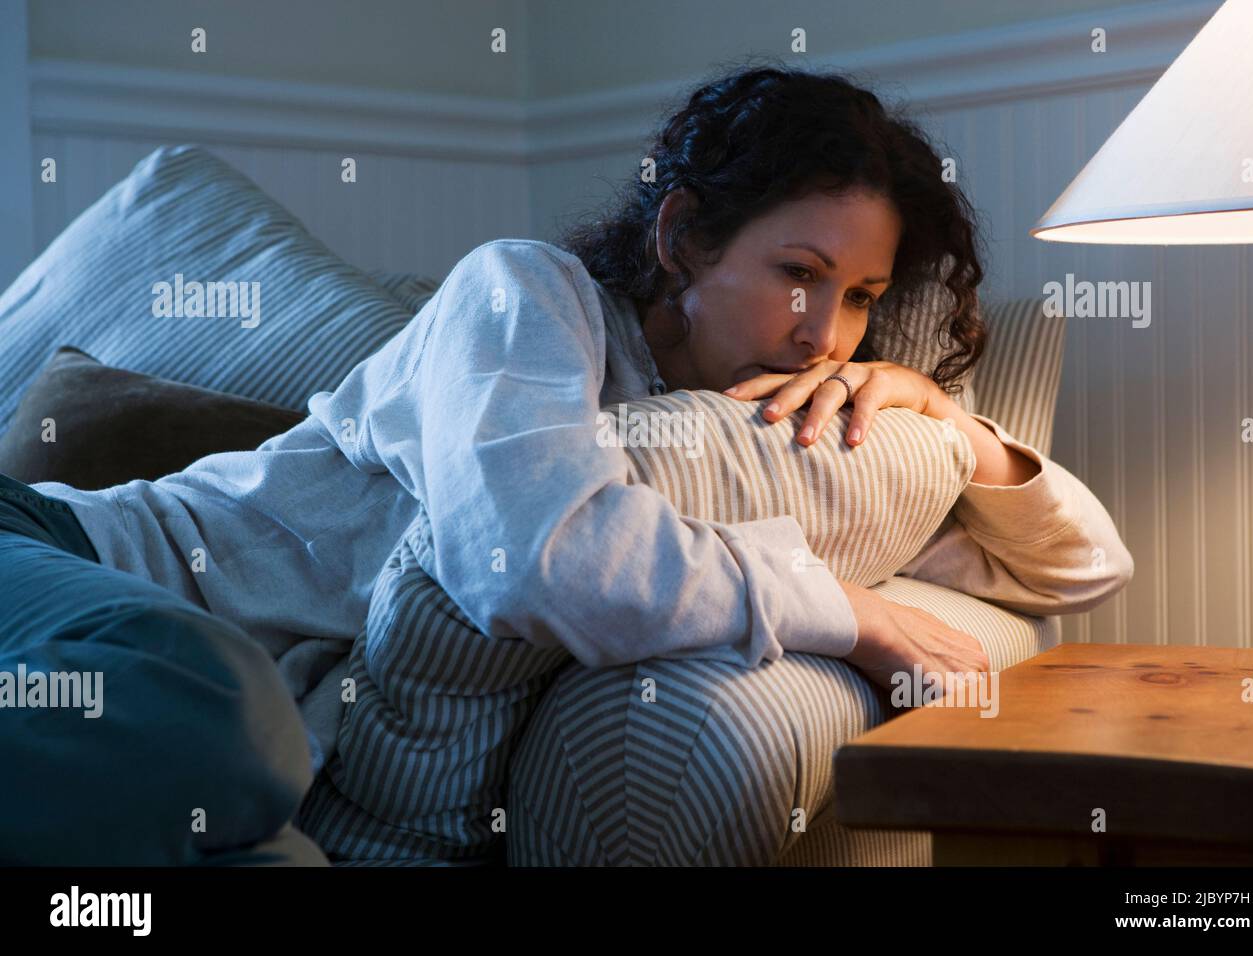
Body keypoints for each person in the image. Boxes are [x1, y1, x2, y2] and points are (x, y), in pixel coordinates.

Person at [0, 64, 1132, 864]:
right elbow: (525, 555)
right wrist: (842, 608)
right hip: (65, 562)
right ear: (683, 234)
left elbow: (1080, 570)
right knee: (206, 711)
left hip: (227, 721)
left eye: (864, 298)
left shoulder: (729, 440)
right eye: (799, 271)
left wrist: (955, 425)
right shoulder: (526, 295)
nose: (824, 332)